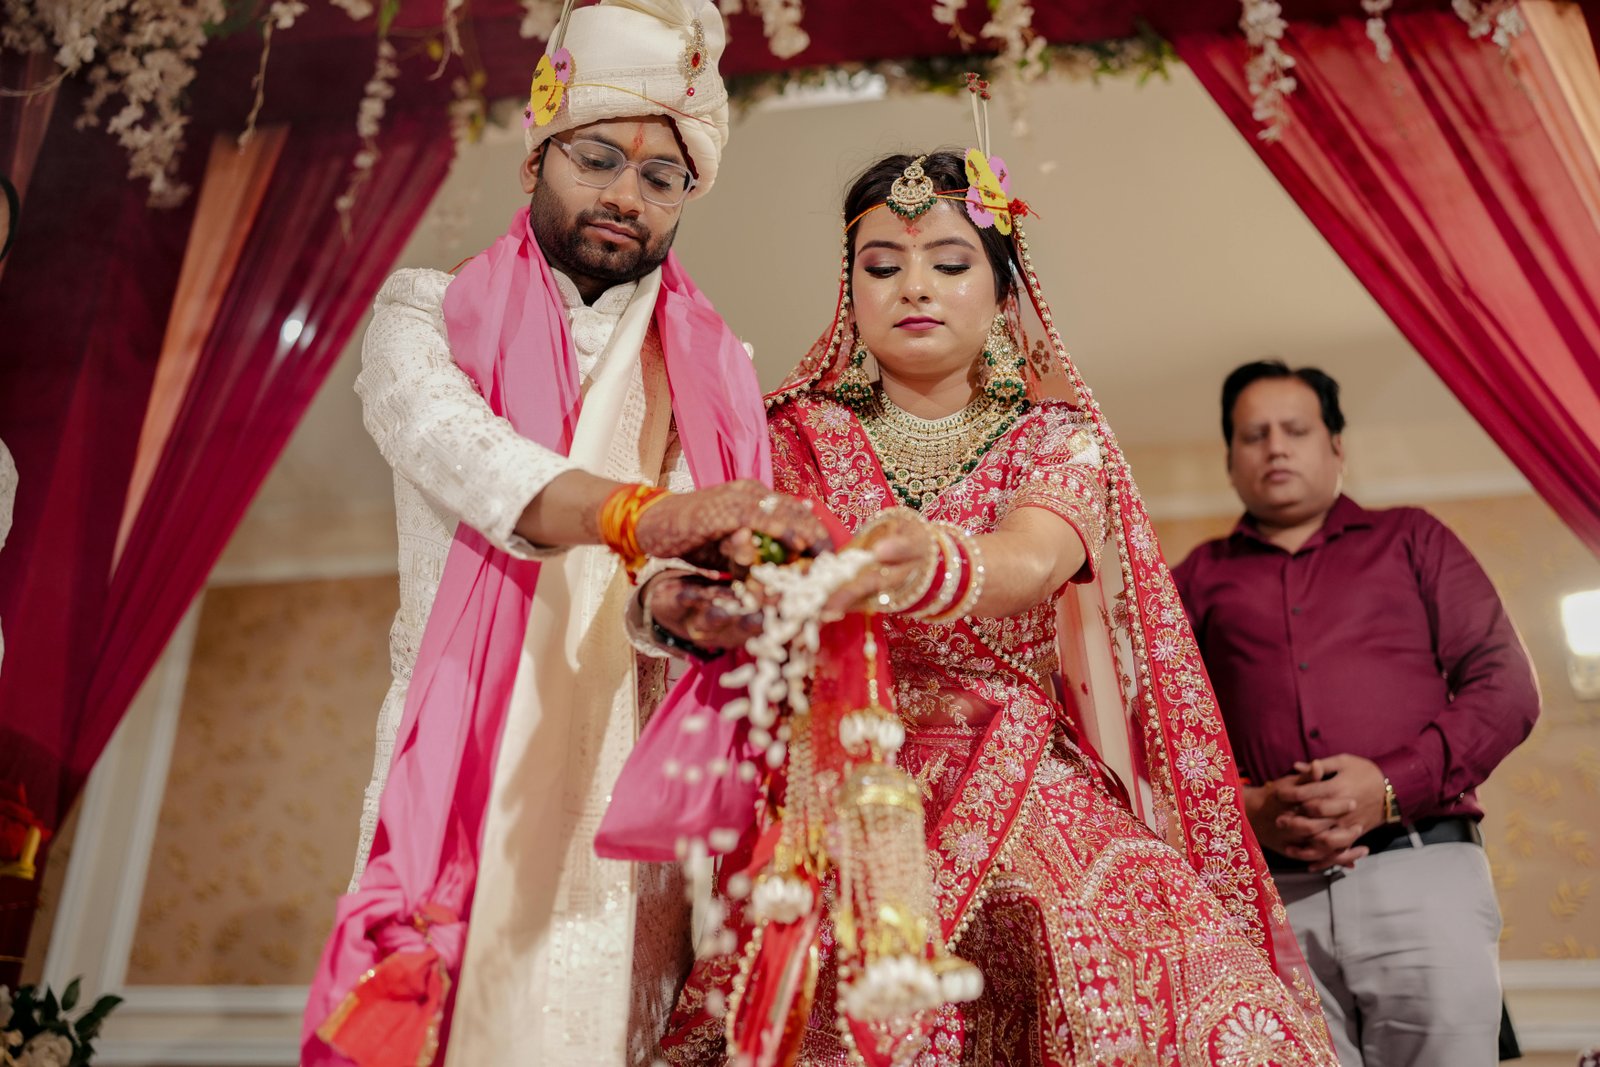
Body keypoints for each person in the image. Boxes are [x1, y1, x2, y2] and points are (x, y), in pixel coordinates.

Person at [643, 150, 1339, 1065]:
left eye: (950, 261)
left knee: (1165, 984)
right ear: (850, 290)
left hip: (1015, 768)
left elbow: (1032, 556)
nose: (913, 286)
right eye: (882, 266)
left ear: (1004, 293)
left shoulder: (1055, 437)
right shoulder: (791, 435)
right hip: (834, 778)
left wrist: (933, 562)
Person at [301, 3, 828, 1065]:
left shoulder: (713, 368)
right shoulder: (427, 312)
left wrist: (694, 599)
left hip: (630, 785)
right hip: (458, 751)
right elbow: (461, 449)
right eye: (598, 159)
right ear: (540, 151)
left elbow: (662, 582)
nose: (625, 196)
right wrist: (638, 511)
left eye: (661, 178)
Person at [1171, 359, 1541, 1067]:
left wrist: (1390, 785)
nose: (1275, 447)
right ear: (1230, 460)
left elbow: (1507, 688)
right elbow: (1152, 729)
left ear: (1336, 445)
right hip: (1266, 893)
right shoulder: (1195, 577)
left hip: (1421, 865)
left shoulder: (1415, 539)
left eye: (1296, 429)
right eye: (1253, 435)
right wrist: (1245, 806)